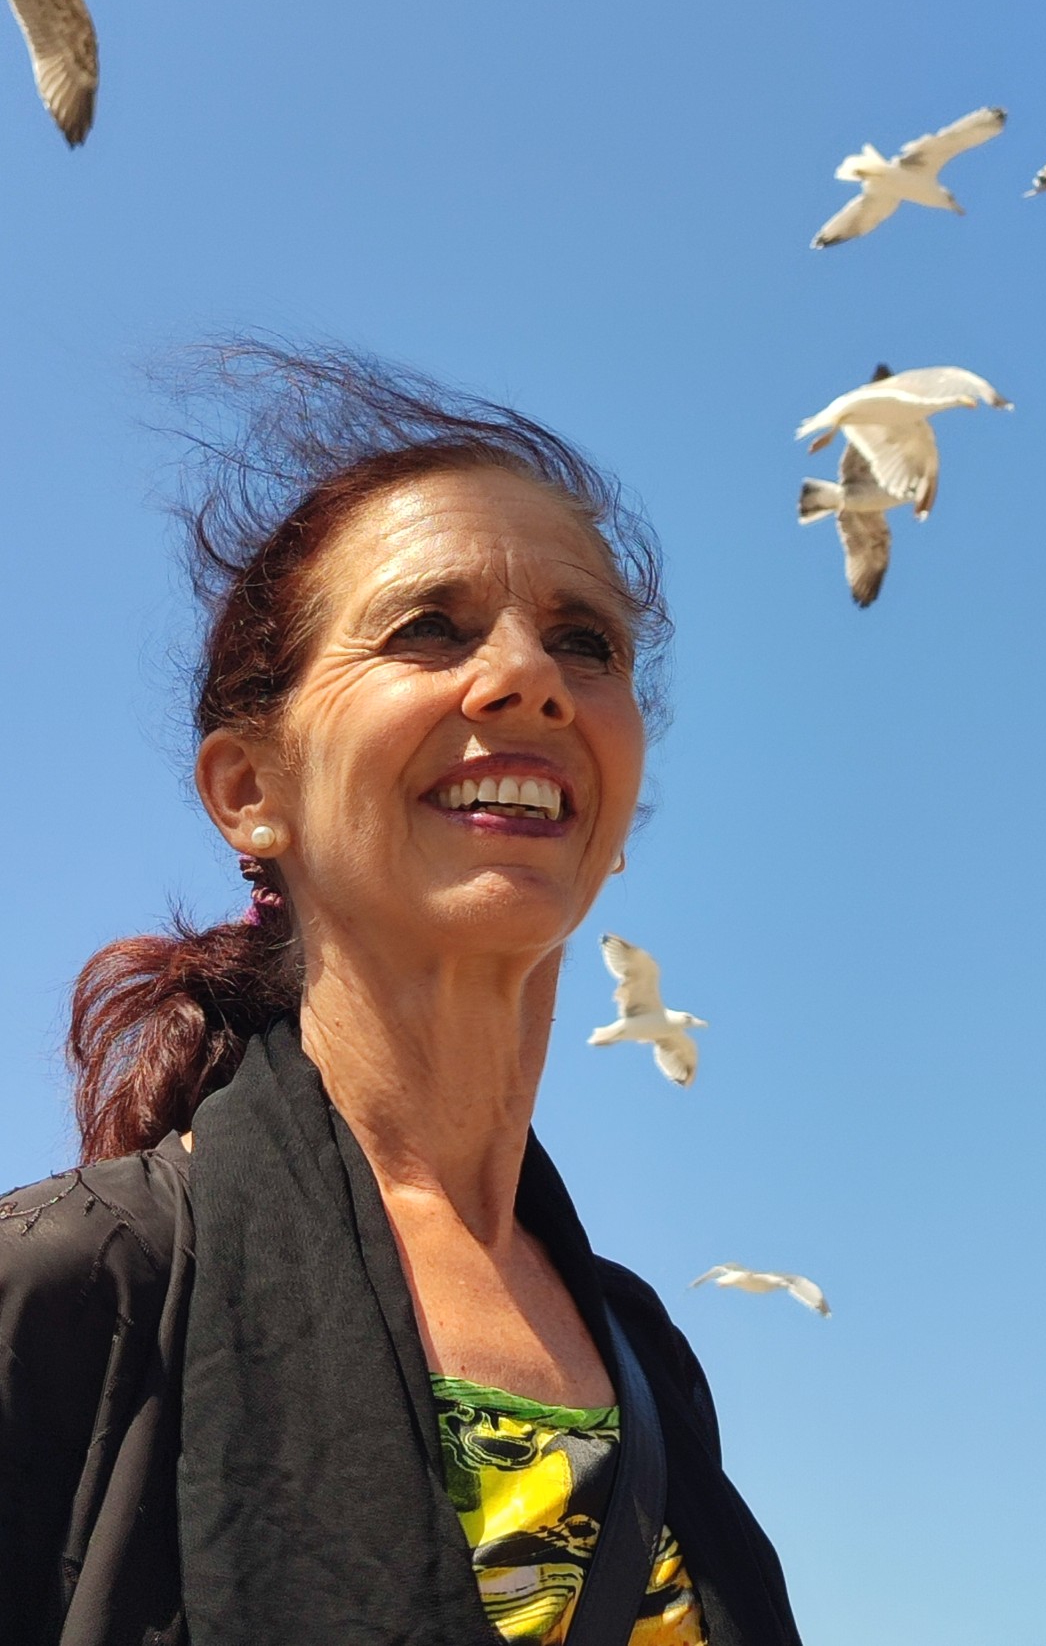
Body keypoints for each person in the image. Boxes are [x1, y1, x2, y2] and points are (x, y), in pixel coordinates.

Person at [0, 343, 804, 1646]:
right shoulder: (75, 1284)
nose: (532, 677)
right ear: (249, 792)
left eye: (585, 642)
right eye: (429, 627)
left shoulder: (646, 1355)